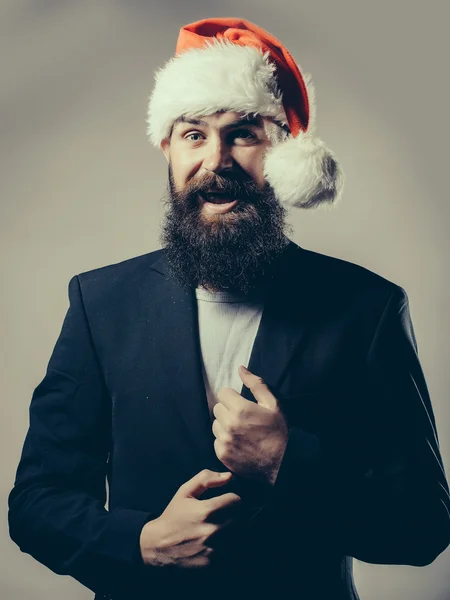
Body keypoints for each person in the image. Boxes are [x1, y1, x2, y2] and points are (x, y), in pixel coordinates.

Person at [8, 17, 450, 600]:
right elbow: (36, 504)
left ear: (285, 152)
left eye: (244, 133)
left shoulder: (365, 310)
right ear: (167, 149)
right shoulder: (100, 304)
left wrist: (286, 460)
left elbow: (422, 526)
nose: (217, 161)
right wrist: (139, 542)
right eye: (194, 134)